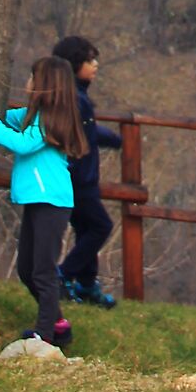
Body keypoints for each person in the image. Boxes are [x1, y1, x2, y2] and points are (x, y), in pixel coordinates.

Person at [0, 56, 84, 348]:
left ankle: (46, 335)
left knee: (43, 270)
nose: (27, 82)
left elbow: (21, 143)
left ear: (45, 85)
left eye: (32, 77)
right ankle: (59, 323)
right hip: (38, 200)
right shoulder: (33, 115)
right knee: (27, 269)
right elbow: (3, 117)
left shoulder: (49, 119)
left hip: (51, 201)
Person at [52, 34, 122, 309]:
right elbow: (82, 136)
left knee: (86, 230)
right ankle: (65, 275)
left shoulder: (75, 96)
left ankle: (86, 284)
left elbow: (89, 131)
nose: (95, 65)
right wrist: (116, 140)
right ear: (74, 64)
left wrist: (115, 140)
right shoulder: (74, 99)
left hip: (78, 178)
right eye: (89, 60)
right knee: (100, 226)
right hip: (78, 179)